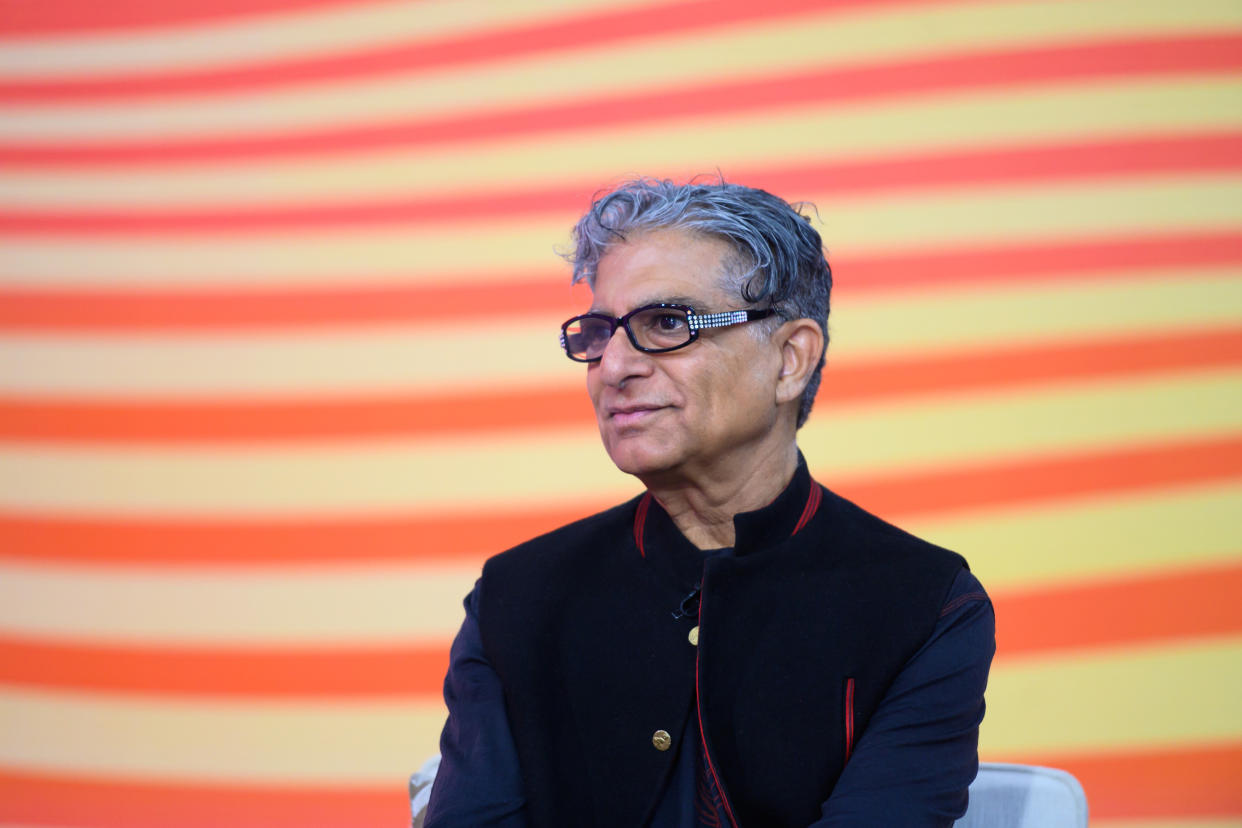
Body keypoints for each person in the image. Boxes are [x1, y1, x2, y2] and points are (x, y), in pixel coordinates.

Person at [424, 178, 995, 827]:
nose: (613, 367)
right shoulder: (517, 595)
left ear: (790, 360)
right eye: (598, 333)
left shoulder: (925, 603)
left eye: (666, 323)